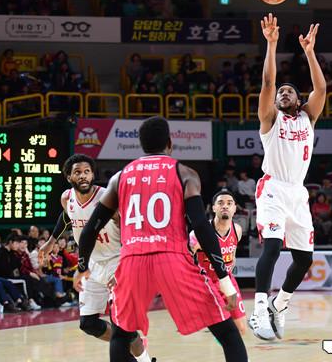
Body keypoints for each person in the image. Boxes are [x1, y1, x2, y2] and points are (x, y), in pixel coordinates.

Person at [77, 117, 247, 362]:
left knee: (121, 334)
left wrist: (82, 267)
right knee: (227, 332)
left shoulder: (119, 177)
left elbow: (90, 230)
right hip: (173, 259)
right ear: (170, 143)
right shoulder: (185, 173)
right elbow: (201, 226)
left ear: (141, 144)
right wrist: (225, 282)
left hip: (132, 261)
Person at [250, 13, 326, 341]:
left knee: (304, 259)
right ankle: (258, 310)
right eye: (281, 92)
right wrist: (271, 45)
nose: (283, 93)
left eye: (289, 92)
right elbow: (268, 83)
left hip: (297, 193)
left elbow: (321, 88)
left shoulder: (309, 117)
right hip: (273, 188)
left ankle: (279, 304)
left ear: (298, 100)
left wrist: (309, 52)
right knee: (271, 248)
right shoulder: (270, 119)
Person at [39, 154, 151, 362]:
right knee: (88, 324)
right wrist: (51, 241)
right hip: (90, 264)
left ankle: (143, 358)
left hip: (117, 261)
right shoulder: (66, 198)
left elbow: (132, 233)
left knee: (120, 322)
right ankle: (129, 343)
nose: (83, 176)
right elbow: (67, 216)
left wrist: (127, 267)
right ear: (69, 177)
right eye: (77, 172)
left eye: (87, 172)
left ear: (93, 175)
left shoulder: (107, 199)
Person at [189, 190, 247, 335]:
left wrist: (229, 269)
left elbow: (232, 255)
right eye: (220, 203)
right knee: (220, 327)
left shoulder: (237, 230)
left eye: (229, 203)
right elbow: (187, 259)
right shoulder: (199, 233)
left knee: (241, 328)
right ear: (214, 208)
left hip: (227, 281)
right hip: (207, 285)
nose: (225, 206)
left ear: (235, 208)